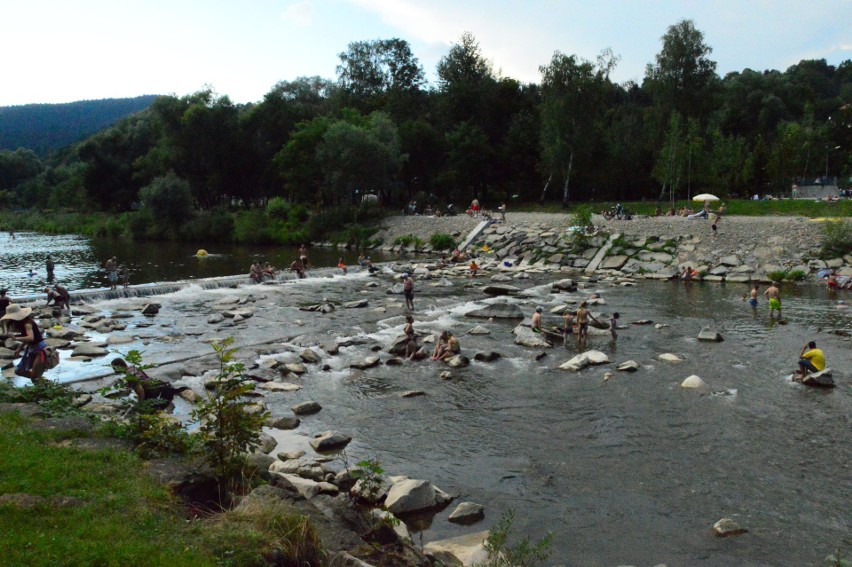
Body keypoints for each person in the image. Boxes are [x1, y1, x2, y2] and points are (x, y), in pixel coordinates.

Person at [110, 358, 179, 412]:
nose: (114, 371)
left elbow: (141, 391)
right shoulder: (133, 368)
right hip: (165, 387)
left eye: (114, 368)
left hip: (163, 391)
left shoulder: (130, 375)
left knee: (151, 412)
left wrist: (141, 405)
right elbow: (146, 379)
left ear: (120, 366)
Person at [3, 304, 47, 384]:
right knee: (19, 371)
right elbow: (27, 339)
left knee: (35, 374)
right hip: (31, 349)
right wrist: (19, 348)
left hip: (40, 349)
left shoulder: (27, 324)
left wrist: (15, 338)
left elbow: (31, 338)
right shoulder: (22, 323)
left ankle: (42, 384)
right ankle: (42, 382)